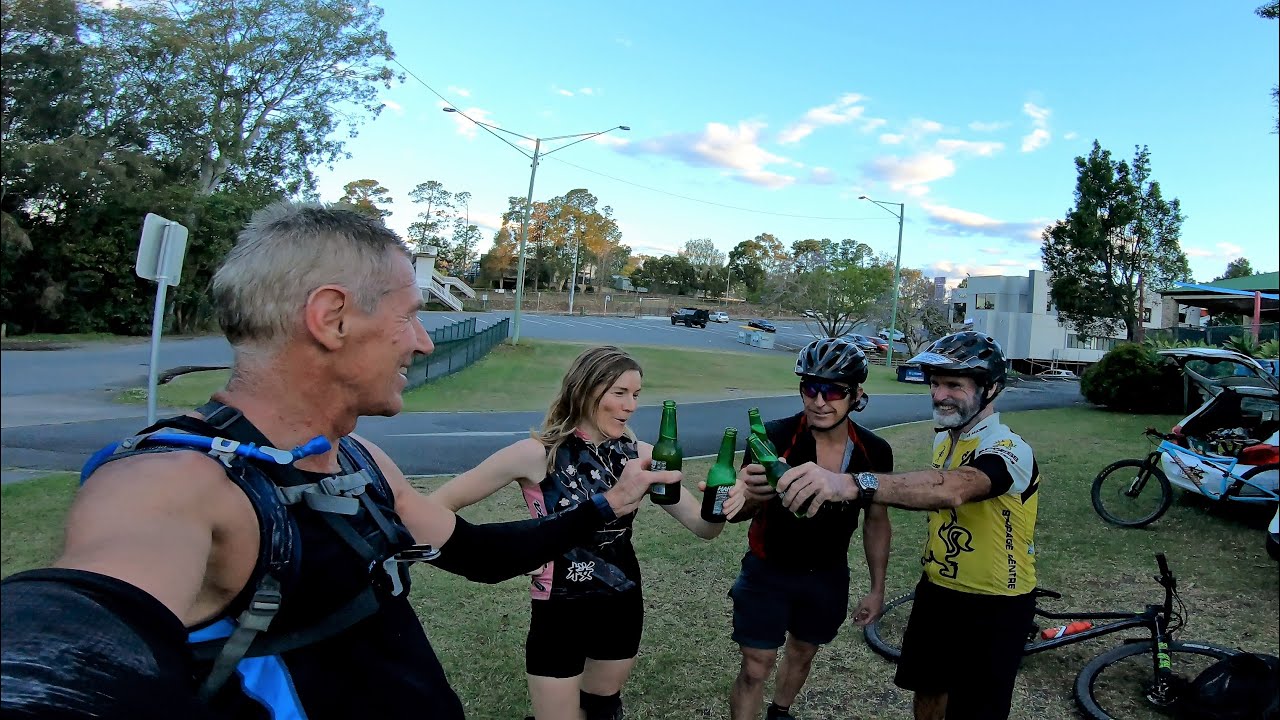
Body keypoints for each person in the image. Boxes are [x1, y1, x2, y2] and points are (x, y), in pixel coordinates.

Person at [0, 202, 681, 720]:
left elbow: (481, 557)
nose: (422, 342)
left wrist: (605, 504)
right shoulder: (172, 480)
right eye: (409, 316)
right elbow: (65, 641)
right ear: (333, 318)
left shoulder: (360, 460)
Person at [429, 345, 726, 720]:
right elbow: (435, 507)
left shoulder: (643, 457)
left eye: (636, 395)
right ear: (584, 389)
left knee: (601, 710)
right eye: (619, 393)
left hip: (621, 602)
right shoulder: (537, 454)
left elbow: (703, 527)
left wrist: (723, 504)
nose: (630, 406)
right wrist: (521, 553)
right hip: (560, 610)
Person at [771, 331, 1039, 720]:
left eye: (955, 385)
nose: (940, 395)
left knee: (976, 710)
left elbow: (955, 489)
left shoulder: (1009, 448)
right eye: (935, 383)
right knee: (927, 691)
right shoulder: (945, 439)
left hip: (996, 602)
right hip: (938, 590)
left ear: (992, 388)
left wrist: (851, 483)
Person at [721, 337, 893, 720]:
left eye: (833, 391)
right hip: (768, 570)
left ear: (857, 395)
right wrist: (750, 496)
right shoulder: (772, 438)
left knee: (802, 652)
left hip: (827, 574)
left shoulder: (874, 451)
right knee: (756, 665)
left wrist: (877, 589)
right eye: (810, 388)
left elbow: (877, 521)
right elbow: (738, 513)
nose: (819, 401)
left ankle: (780, 712)